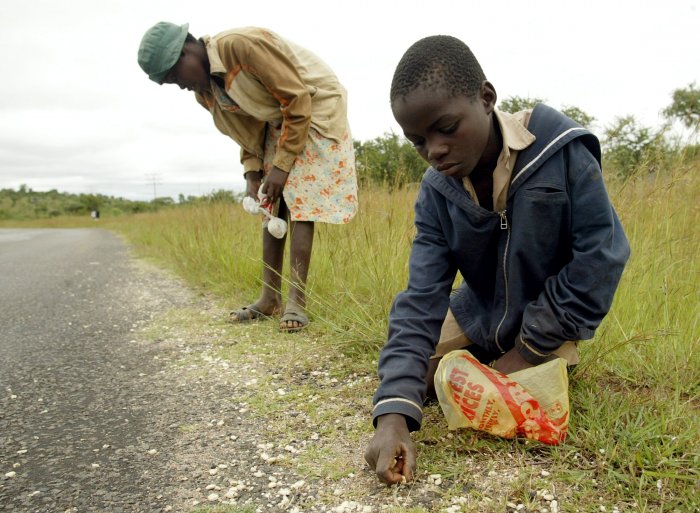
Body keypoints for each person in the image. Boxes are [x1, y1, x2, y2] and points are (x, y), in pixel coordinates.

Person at [364, 35, 630, 485]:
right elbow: (423, 296)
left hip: (548, 322)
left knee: (515, 408)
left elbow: (601, 258)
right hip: (477, 312)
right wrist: (392, 417)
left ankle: (513, 360)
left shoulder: (560, 150)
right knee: (412, 388)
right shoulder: (436, 190)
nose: (435, 151)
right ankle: (463, 369)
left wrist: (526, 352)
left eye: (446, 128)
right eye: (418, 141)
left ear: (486, 98)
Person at [137, 22, 358, 332]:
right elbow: (246, 129)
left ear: (186, 51)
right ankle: (269, 298)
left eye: (175, 76)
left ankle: (296, 301)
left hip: (312, 104)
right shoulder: (205, 91)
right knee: (269, 204)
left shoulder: (240, 46)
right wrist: (252, 172)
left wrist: (281, 168)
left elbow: (296, 99)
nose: (179, 85)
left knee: (299, 199)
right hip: (276, 118)